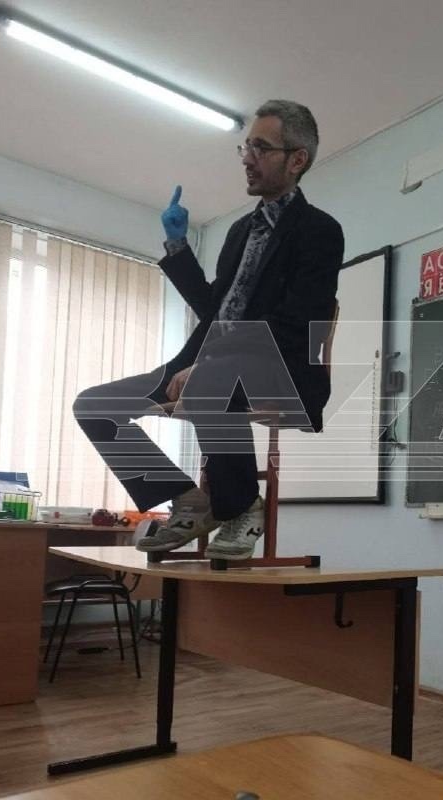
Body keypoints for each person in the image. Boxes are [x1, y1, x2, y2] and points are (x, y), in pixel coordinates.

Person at [73, 99, 344, 560]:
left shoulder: (319, 230)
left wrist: (213, 363)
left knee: (210, 380)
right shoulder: (240, 231)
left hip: (281, 367)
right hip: (208, 364)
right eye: (246, 147)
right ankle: (190, 500)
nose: (247, 158)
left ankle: (241, 508)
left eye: (261, 148)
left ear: (297, 160)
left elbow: (296, 321)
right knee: (94, 405)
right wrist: (178, 245)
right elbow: (213, 307)